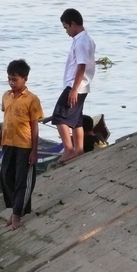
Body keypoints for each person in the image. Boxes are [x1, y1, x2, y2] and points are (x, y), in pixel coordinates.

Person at [0, 59, 44, 230]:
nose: (12, 83)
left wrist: (34, 152)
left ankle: (16, 215)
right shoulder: (6, 96)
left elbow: (35, 127)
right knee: (6, 176)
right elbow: (6, 120)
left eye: (15, 79)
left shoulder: (32, 99)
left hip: (24, 145)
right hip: (8, 143)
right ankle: (15, 209)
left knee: (22, 179)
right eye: (9, 79)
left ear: (25, 79)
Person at [51, 8, 96, 163]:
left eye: (66, 27)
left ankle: (69, 150)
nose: (66, 31)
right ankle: (79, 150)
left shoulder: (82, 41)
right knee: (76, 120)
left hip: (76, 85)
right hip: (81, 86)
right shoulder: (84, 39)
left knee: (59, 116)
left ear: (73, 24)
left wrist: (74, 89)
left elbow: (81, 66)